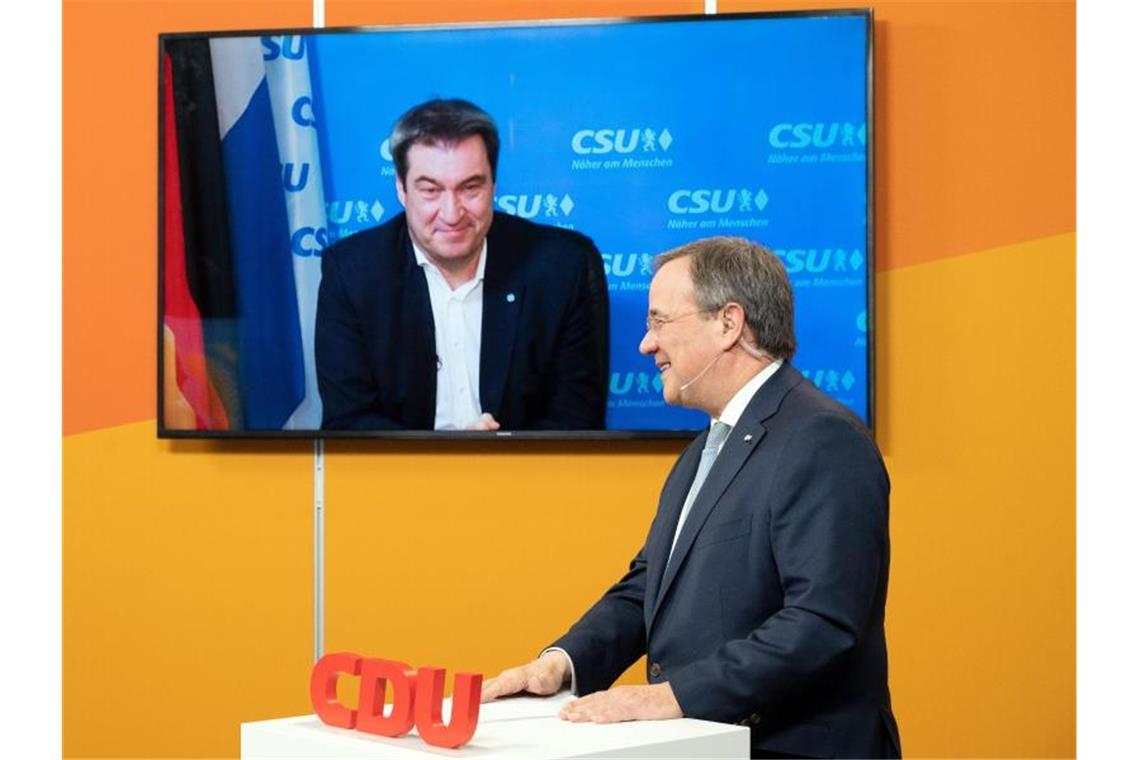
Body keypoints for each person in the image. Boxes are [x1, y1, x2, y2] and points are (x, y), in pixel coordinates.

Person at [482, 237, 901, 759]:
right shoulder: (705, 448)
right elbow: (646, 588)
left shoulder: (822, 439)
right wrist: (560, 664)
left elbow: (822, 622)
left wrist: (670, 698)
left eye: (659, 322)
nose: (645, 344)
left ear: (728, 324)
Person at [315, 98, 608, 430]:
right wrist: (447, 459)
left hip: (528, 475)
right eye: (431, 190)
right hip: (402, 478)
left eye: (470, 188)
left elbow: (576, 418)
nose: (452, 213)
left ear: (493, 185)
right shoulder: (352, 272)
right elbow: (349, 421)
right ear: (401, 188)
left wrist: (497, 455)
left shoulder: (562, 267)